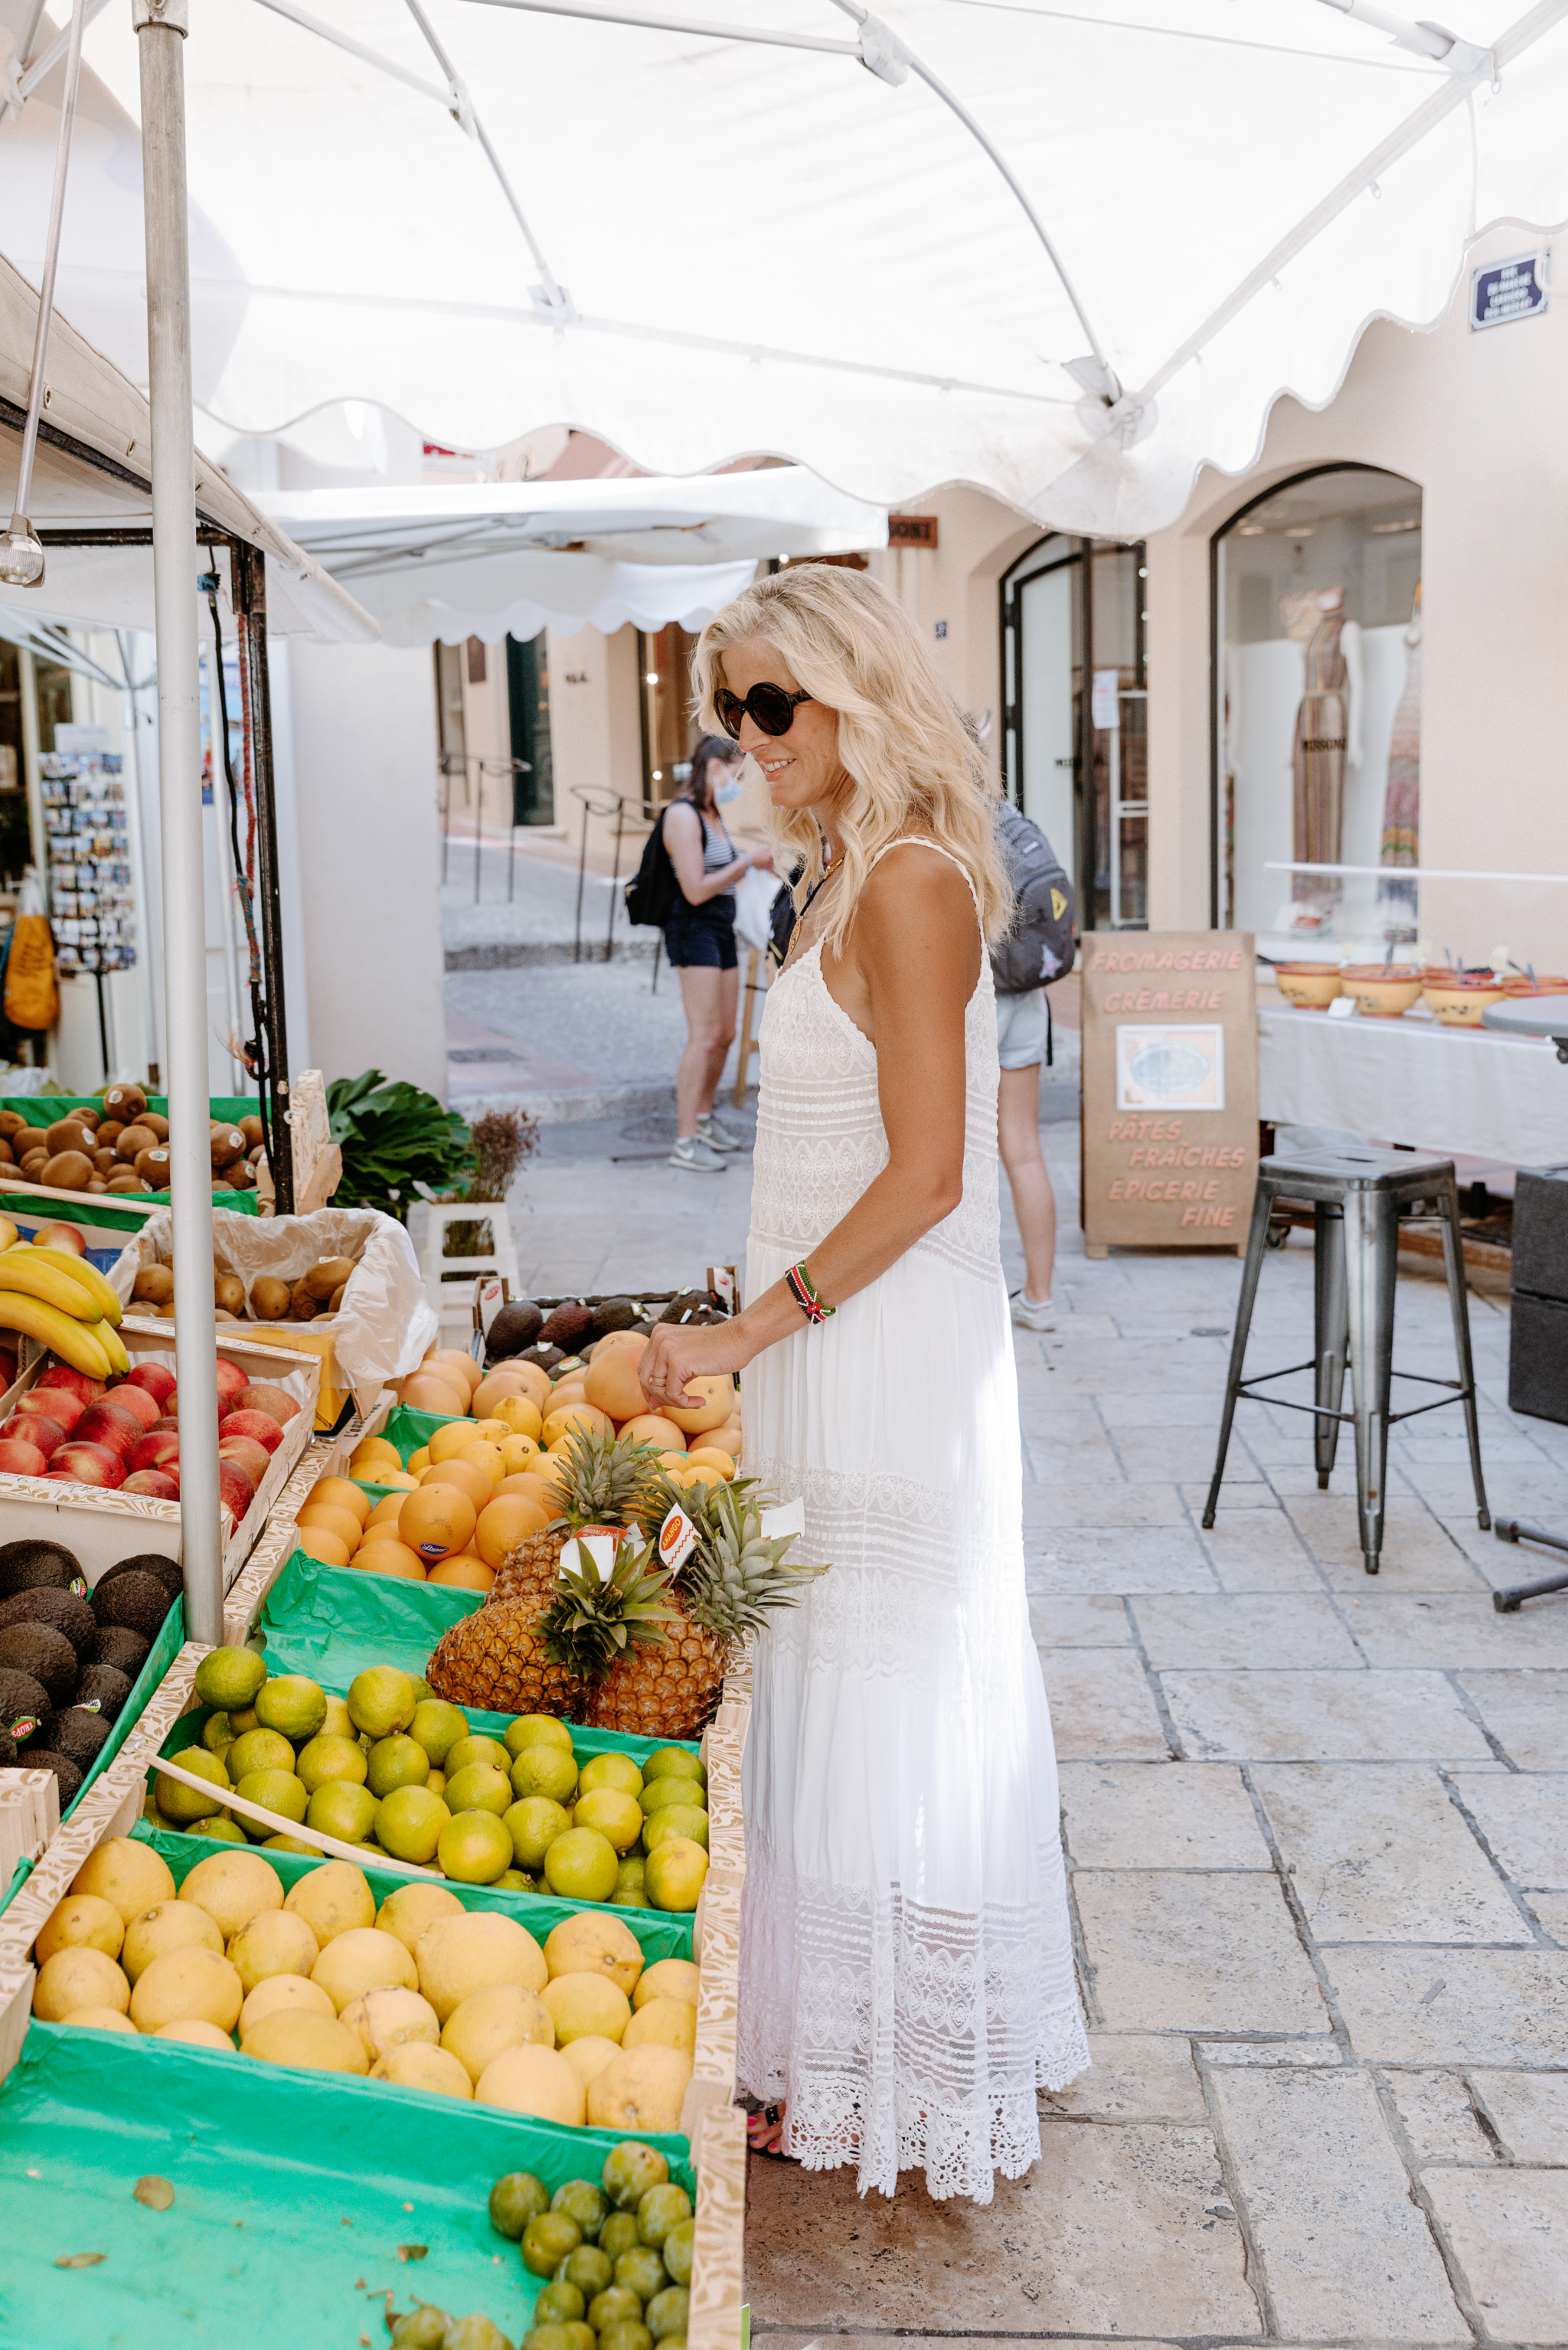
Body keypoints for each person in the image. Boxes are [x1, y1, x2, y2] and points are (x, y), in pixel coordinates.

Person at [637, 567, 1087, 2205]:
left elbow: (921, 1174)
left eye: (772, 704)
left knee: (889, 1685)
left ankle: (905, 2066)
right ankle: (839, 2045)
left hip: (884, 1341)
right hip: (835, 1337)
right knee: (827, 1666)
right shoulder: (827, 873)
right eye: (729, 708)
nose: (744, 737)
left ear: (854, 696)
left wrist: (753, 1330)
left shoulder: (907, 882)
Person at [661, 733, 773, 1172]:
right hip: (693, 931)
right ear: (714, 768)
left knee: (726, 1033)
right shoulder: (683, 816)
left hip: (721, 928)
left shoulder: (713, 813)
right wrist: (746, 864)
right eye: (736, 771)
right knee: (703, 1035)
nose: (738, 782)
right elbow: (694, 889)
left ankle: (704, 1117)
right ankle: (684, 1140)